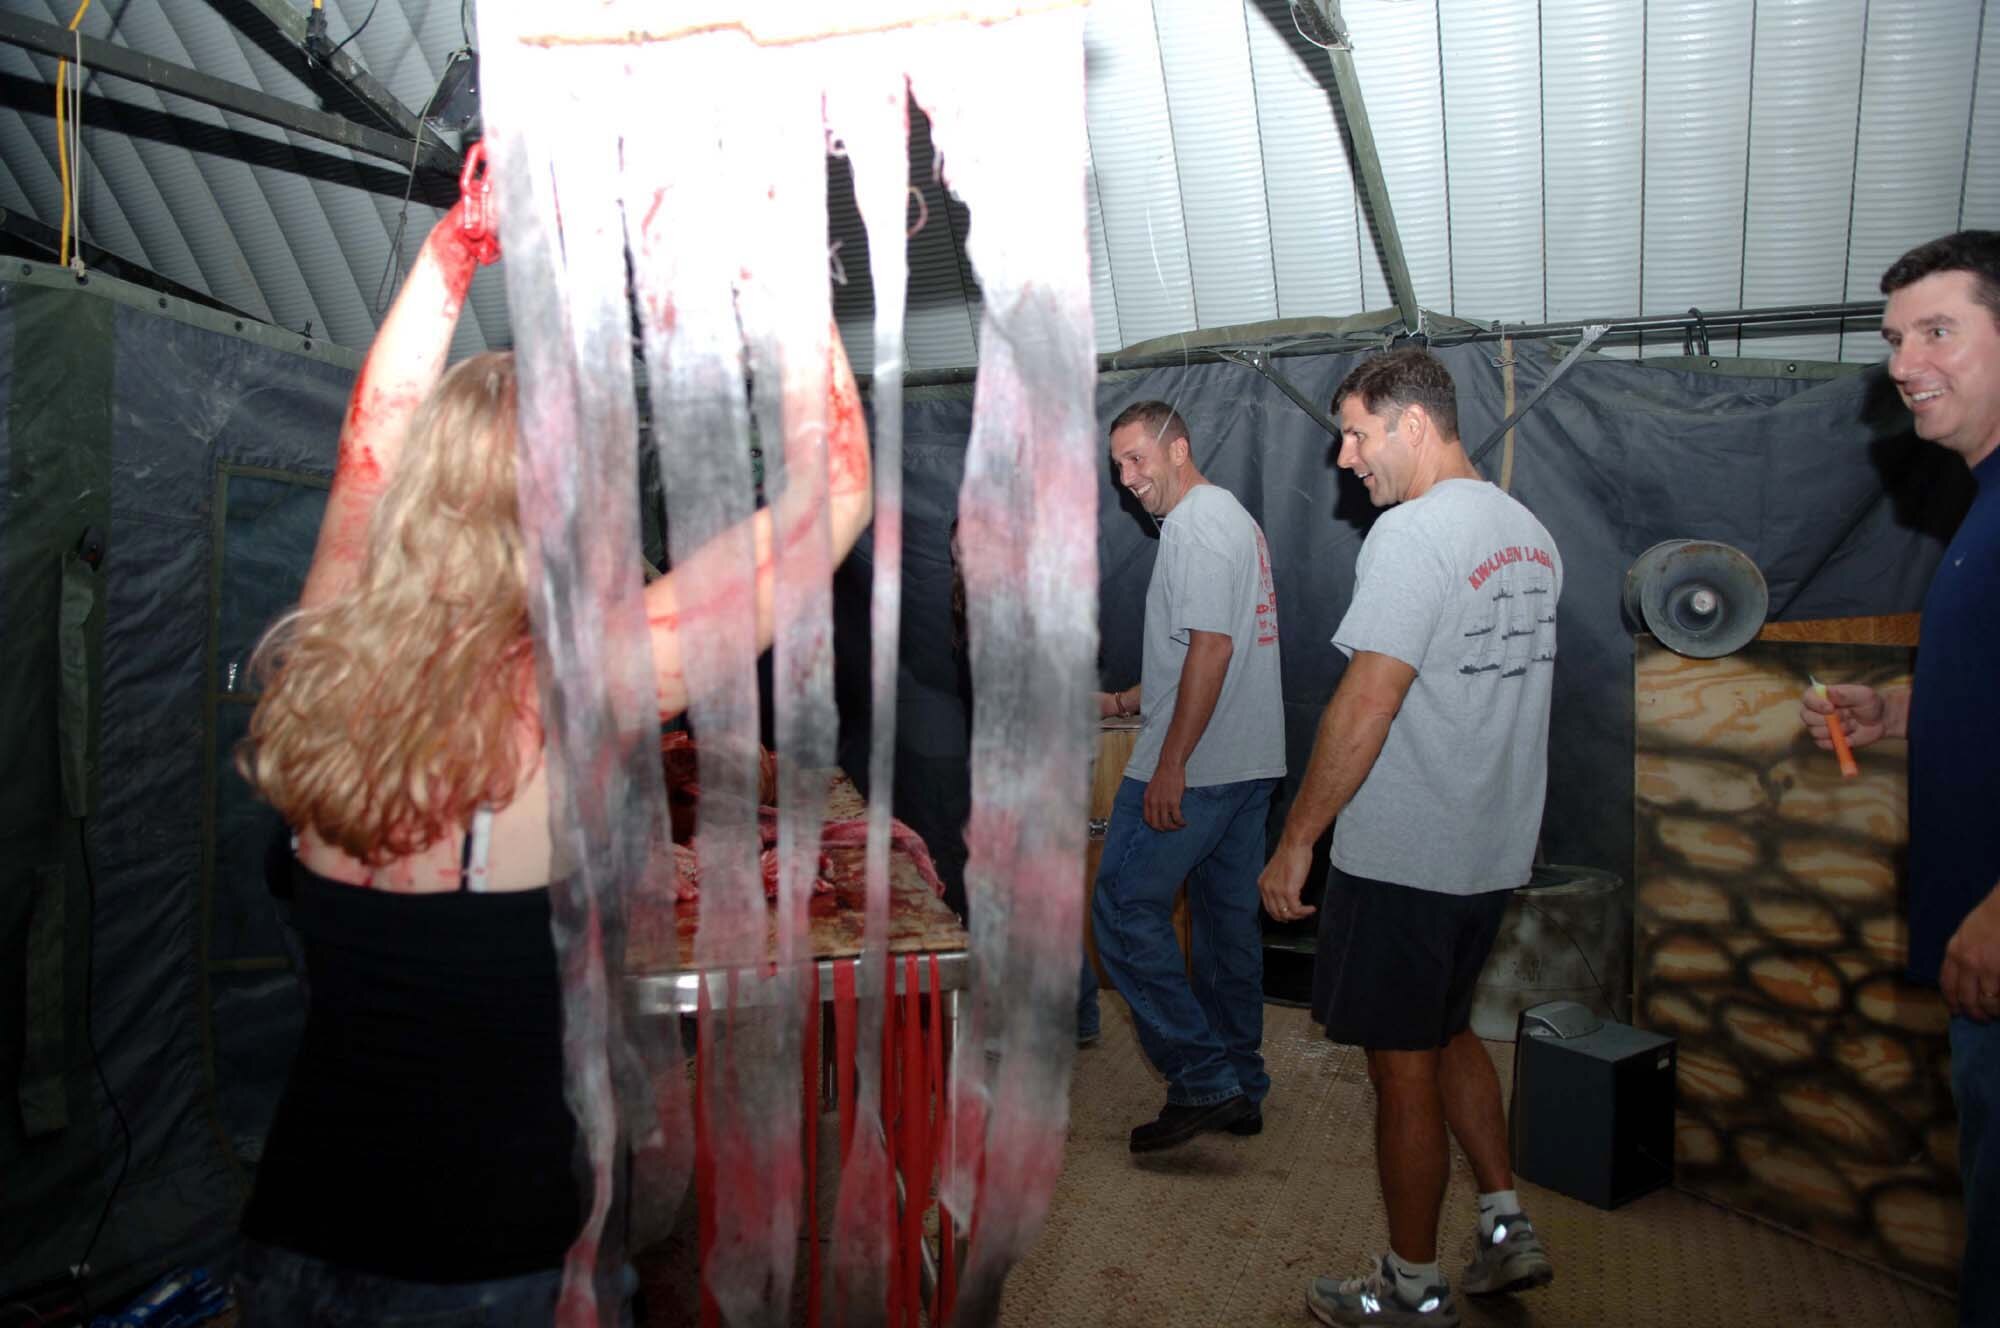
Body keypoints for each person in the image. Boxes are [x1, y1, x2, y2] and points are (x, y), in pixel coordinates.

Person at [230, 158, 872, 1325]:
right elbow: (830, 494)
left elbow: (367, 439)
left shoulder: (323, 656)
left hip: (299, 1240)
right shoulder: (586, 683)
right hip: (497, 1264)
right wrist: (783, 266)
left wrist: (451, 254)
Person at [1259, 349, 1559, 1327]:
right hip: (1491, 849)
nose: (1343, 456)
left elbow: (1365, 702)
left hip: (1407, 853)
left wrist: (1299, 836)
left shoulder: (1409, 536)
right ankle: (1507, 1223)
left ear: (1414, 425)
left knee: (1401, 1065)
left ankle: (1410, 1280)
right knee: (1448, 1026)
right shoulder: (1527, 534)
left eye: (1353, 430)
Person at [1800, 230, 2000, 1328]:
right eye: (1891, 338)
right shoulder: (1981, 500)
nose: (1902, 362)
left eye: (1937, 331)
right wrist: (1896, 713)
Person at [1091, 401, 1285, 1152]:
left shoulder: (1198, 525)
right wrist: (1119, 701)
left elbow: (1210, 651)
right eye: (1117, 468)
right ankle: (1241, 1082)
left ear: (1180, 447)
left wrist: (1171, 762)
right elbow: (1195, 654)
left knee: (1121, 908)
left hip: (1197, 769)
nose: (1128, 479)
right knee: (1226, 931)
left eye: (1138, 459)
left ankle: (1202, 1077)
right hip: (1248, 762)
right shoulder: (1229, 520)